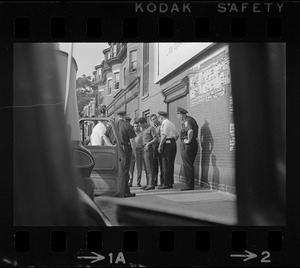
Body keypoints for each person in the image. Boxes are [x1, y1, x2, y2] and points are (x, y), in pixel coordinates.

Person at [115, 110, 137, 197]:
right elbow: (132, 140)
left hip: (115, 149)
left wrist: (111, 145)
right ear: (125, 115)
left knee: (118, 170)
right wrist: (134, 152)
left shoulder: (113, 125)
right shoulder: (128, 125)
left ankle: (117, 189)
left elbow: (104, 135)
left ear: (118, 116)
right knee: (125, 171)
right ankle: (125, 191)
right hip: (125, 149)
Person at [177, 107, 199, 191]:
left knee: (187, 165)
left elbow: (190, 131)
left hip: (187, 145)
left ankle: (189, 185)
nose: (177, 116)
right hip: (192, 144)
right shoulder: (190, 119)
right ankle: (190, 184)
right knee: (189, 165)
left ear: (182, 114)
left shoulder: (187, 121)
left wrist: (188, 140)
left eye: (178, 114)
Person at [157, 111, 179, 189]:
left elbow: (163, 135)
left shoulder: (164, 123)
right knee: (170, 164)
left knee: (165, 163)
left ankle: (165, 183)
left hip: (166, 143)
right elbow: (177, 135)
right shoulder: (172, 123)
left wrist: (160, 146)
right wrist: (172, 141)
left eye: (159, 117)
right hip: (172, 143)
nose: (159, 119)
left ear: (161, 117)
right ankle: (170, 182)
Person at [138, 117, 159, 190]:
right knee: (146, 168)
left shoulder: (151, 128)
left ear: (144, 123)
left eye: (140, 124)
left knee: (149, 167)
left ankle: (151, 184)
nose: (140, 126)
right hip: (143, 149)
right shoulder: (143, 130)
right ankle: (147, 183)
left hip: (148, 149)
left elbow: (156, 139)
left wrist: (148, 144)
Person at [129, 121, 147, 187]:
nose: (136, 128)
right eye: (134, 126)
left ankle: (138, 182)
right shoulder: (131, 133)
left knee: (139, 167)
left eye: (137, 126)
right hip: (131, 150)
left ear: (139, 126)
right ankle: (130, 181)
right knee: (131, 167)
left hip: (139, 150)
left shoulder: (142, 133)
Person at [150, 113, 164, 187]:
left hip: (160, 146)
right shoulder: (152, 128)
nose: (154, 120)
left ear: (157, 118)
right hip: (154, 147)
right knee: (154, 165)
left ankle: (162, 182)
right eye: (152, 119)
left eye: (155, 118)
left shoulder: (161, 126)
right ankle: (155, 181)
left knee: (161, 164)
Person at [200, 120, 214, 187]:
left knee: (204, 164)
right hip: (206, 148)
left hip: (204, 148)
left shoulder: (202, 128)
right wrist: (210, 149)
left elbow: (200, 138)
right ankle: (204, 181)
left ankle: (203, 181)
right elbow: (211, 140)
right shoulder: (206, 129)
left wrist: (202, 145)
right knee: (206, 164)